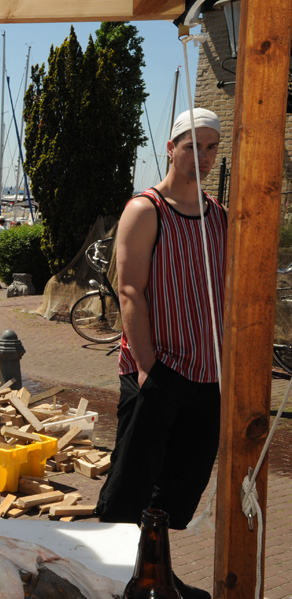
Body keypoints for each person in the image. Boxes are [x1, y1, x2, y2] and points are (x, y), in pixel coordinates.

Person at [95, 109, 225, 599]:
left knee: (178, 490)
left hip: (207, 376)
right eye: (192, 146)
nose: (203, 157)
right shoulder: (147, 209)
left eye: (211, 147)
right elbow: (129, 289)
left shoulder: (220, 216)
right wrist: (149, 370)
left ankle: (154, 574)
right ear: (171, 149)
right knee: (129, 488)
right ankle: (105, 575)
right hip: (160, 370)